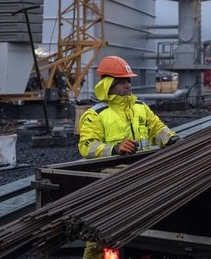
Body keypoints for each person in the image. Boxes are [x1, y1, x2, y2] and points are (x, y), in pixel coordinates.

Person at [77, 55, 179, 259]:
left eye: (128, 81)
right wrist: (114, 149)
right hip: (111, 184)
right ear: (108, 84)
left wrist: (174, 141)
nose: (127, 85)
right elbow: (86, 146)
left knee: (143, 235)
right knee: (101, 236)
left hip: (143, 177)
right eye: (122, 81)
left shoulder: (140, 107)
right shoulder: (95, 114)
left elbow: (158, 129)